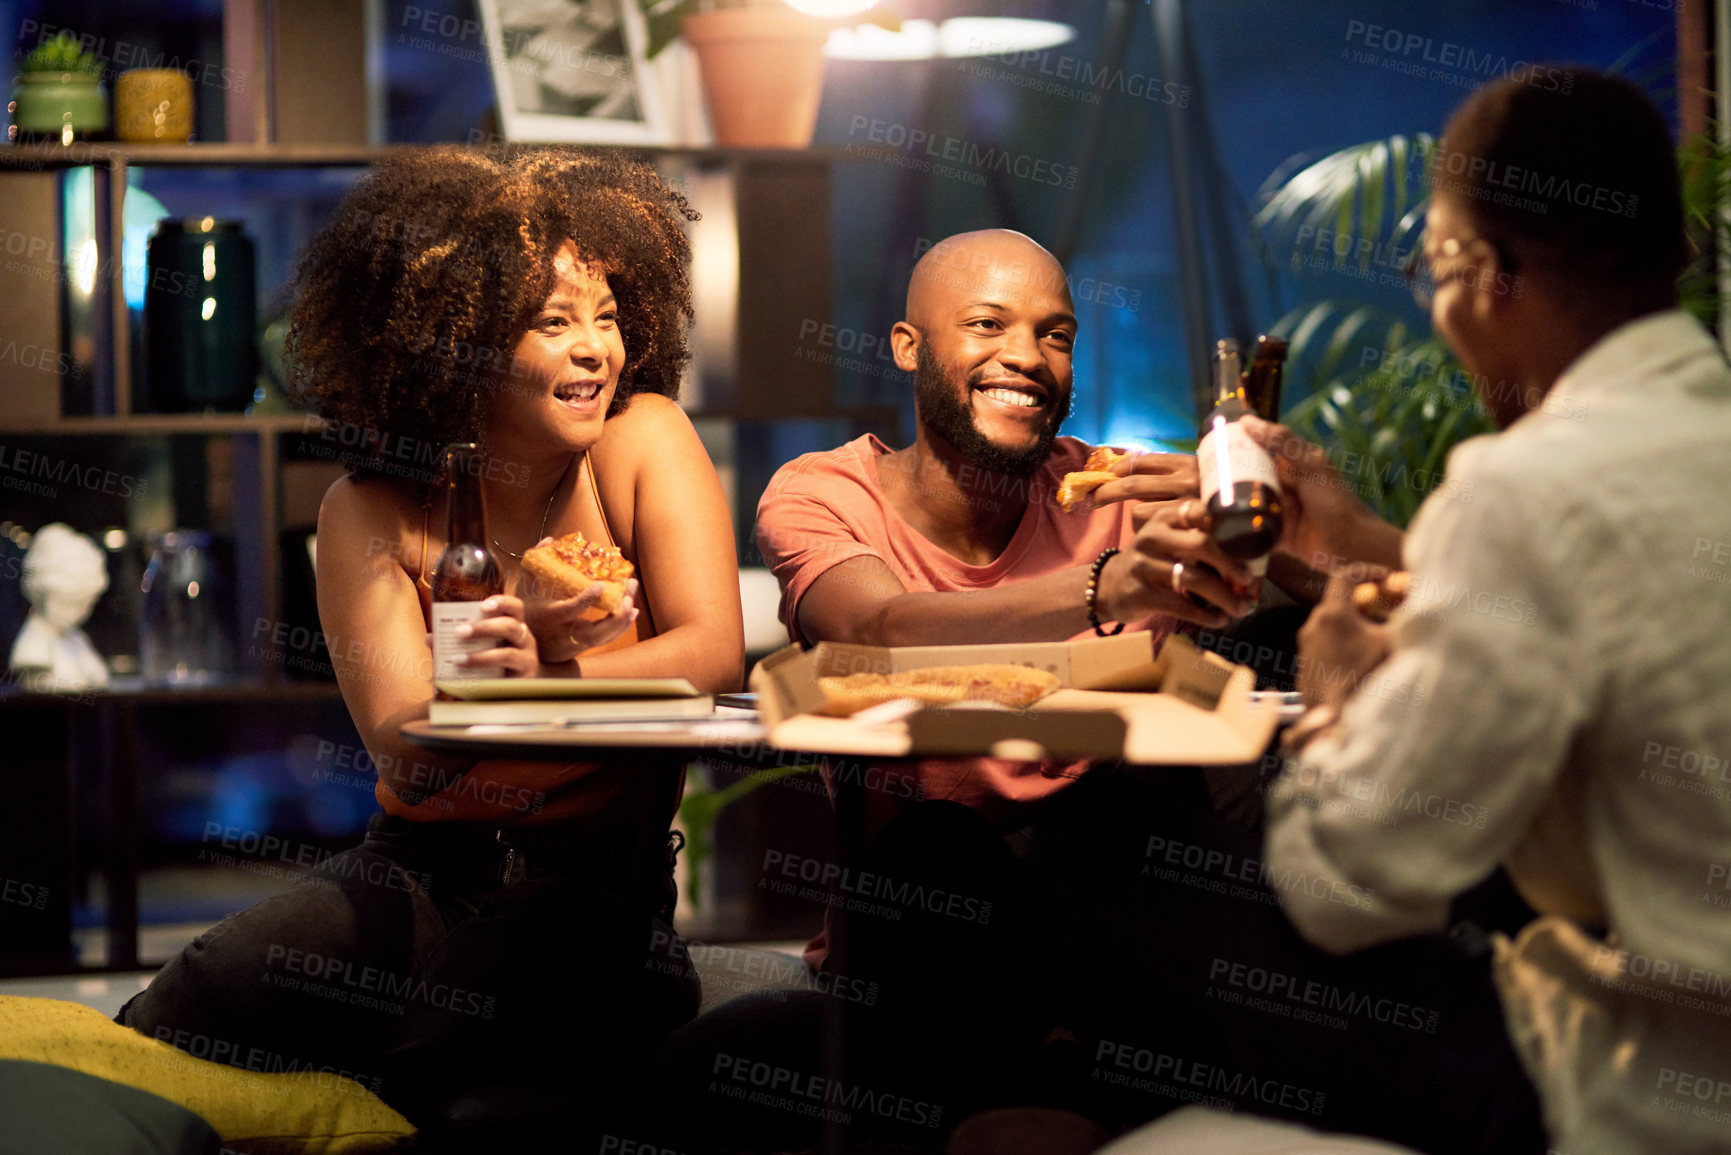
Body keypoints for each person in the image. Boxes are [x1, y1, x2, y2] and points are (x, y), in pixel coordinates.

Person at [120, 147, 744, 1145]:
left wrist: (540, 668)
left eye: (608, 319)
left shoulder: (646, 441)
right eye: (553, 324)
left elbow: (713, 653)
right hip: (419, 871)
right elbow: (406, 742)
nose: (596, 351)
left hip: (594, 883)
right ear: (453, 347)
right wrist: (517, 659)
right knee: (199, 996)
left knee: (475, 1028)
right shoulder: (366, 511)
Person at [1252, 71, 1731, 1154]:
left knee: (1122, 861)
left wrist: (1334, 701)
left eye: (1433, 266)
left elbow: (1348, 889)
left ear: (1484, 273)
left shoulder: (1522, 485)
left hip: (1647, 1079)